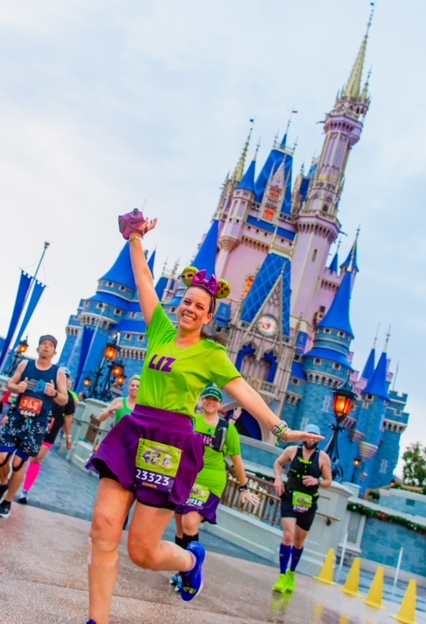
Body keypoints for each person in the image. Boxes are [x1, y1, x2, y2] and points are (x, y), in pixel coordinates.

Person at [84, 209, 323, 624]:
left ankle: (190, 564)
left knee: (142, 551)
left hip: (169, 443)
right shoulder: (159, 326)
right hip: (134, 430)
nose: (190, 309)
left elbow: (244, 392)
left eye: (200, 306)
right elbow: (143, 281)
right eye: (187, 301)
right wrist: (135, 238)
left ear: (210, 316)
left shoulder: (212, 354)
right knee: (104, 528)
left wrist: (281, 430)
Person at [170, 384, 260, 591]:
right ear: (201, 401)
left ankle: (193, 570)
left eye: (215, 399)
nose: (210, 401)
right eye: (207, 398)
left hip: (211, 481)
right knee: (181, 527)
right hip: (187, 478)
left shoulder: (228, 429)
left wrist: (244, 487)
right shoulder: (192, 422)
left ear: (219, 404)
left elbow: (237, 460)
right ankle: (181, 570)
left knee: (190, 522)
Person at [0, 335, 68, 518]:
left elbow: (64, 398)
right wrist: (17, 387)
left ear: (54, 352)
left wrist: (54, 393)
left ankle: (7, 502)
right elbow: (10, 384)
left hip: (37, 423)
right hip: (17, 417)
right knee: (1, 457)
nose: (46, 347)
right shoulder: (25, 365)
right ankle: (3, 483)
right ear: (38, 348)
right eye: (43, 344)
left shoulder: (57, 373)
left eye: (50, 346)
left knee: (18, 462)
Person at [272, 423, 332, 594]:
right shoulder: (292, 451)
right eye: (308, 435)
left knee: (299, 540)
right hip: (290, 497)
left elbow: (329, 481)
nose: (311, 438)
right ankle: (282, 575)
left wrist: (317, 481)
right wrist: (278, 478)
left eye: (314, 436)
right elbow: (278, 463)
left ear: (318, 440)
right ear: (303, 435)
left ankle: (291, 573)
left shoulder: (323, 458)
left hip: (308, 503)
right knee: (288, 536)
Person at [17, 367, 76, 505]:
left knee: (37, 458)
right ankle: (14, 481)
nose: (64, 379)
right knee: (22, 456)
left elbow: (68, 417)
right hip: (34, 426)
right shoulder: (44, 388)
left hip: (50, 431)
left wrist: (69, 436)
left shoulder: (68, 398)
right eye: (62, 376)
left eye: (67, 377)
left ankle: (25, 490)